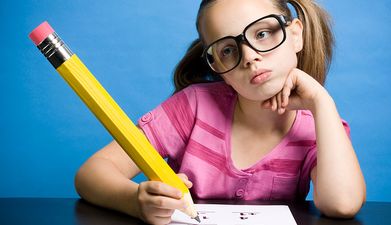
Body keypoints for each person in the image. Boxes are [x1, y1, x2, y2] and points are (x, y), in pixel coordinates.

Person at [75, 0, 366, 224]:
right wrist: (136, 201)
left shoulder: (319, 126)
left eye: (262, 33)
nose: (250, 57)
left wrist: (321, 101)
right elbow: (91, 174)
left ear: (296, 35)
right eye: (228, 50)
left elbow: (342, 204)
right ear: (215, 64)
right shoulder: (193, 107)